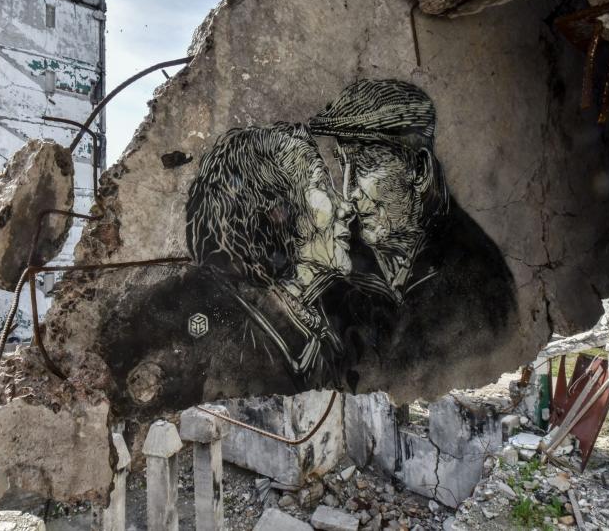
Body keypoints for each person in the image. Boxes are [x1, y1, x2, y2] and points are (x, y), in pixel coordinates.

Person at [309, 79, 518, 390]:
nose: (348, 192)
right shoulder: (347, 249)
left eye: (365, 166)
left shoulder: (476, 285)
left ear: (419, 170)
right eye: (344, 166)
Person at [185, 121, 355, 376]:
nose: (345, 207)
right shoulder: (246, 347)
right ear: (278, 212)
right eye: (321, 184)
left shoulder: (307, 309)